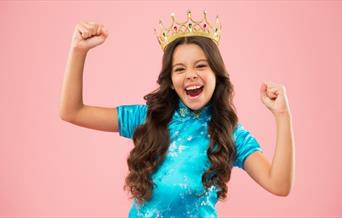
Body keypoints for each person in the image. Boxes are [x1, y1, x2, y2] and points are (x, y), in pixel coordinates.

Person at [59, 11, 295, 218]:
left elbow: (279, 184)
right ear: (171, 82)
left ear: (217, 75)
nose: (190, 74)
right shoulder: (147, 118)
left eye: (201, 66)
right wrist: (78, 51)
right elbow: (72, 111)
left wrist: (282, 115)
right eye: (180, 69)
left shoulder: (229, 134)